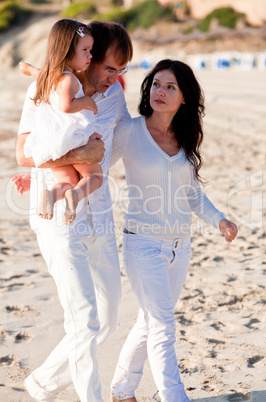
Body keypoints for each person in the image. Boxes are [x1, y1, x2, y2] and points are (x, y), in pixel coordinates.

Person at [14, 20, 133, 402]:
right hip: (58, 217)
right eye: (110, 68)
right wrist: (79, 155)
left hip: (99, 209)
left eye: (122, 71)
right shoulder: (44, 89)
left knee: (108, 318)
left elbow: (128, 137)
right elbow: (23, 154)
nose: (115, 78)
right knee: (84, 320)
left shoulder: (113, 96)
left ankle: (44, 383)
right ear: (86, 59)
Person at [108, 59, 238, 402]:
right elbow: (93, 167)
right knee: (163, 327)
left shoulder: (184, 138)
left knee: (149, 322)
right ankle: (173, 395)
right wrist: (53, 177)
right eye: (155, 84)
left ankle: (122, 391)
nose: (160, 92)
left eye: (170, 87)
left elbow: (192, 193)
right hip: (142, 244)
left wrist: (219, 219)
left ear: (184, 98)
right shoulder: (129, 131)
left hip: (180, 246)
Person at [19, 19, 105, 225]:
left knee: (67, 181)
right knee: (94, 177)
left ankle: (51, 196)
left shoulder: (50, 77)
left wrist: (29, 69)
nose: (90, 55)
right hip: (73, 139)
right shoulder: (70, 79)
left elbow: (38, 75)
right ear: (67, 51)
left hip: (50, 141)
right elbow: (67, 106)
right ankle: (75, 196)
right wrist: (87, 101)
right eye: (85, 49)